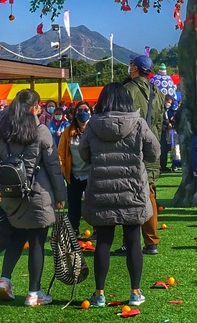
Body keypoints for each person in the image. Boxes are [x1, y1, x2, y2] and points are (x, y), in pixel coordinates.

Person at [80, 83, 160, 309]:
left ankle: (99, 293)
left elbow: (84, 154)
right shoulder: (138, 124)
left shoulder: (93, 125)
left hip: (102, 191)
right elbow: (155, 152)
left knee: (103, 241)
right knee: (133, 240)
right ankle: (135, 292)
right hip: (132, 190)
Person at [0, 89, 67, 306]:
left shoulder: (3, 131)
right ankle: (34, 292)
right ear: (35, 107)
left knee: (16, 237)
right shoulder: (40, 130)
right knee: (36, 243)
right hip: (38, 194)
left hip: (12, 195)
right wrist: (60, 195)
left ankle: (5, 279)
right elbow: (53, 166)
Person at [121, 54, 165, 255]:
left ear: (136, 68)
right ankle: (152, 241)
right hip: (151, 149)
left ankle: (129, 242)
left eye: (131, 65)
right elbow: (159, 125)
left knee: (128, 195)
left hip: (131, 149)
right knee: (149, 195)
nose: (129, 68)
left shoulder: (126, 90)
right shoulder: (159, 93)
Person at [58, 100, 93, 234]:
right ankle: (74, 229)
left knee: (93, 203)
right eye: (80, 110)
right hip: (73, 174)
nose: (83, 113)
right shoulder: (68, 131)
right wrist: (63, 169)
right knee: (74, 204)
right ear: (75, 113)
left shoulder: (94, 130)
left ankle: (97, 229)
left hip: (91, 174)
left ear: (91, 113)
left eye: (86, 110)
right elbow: (61, 152)